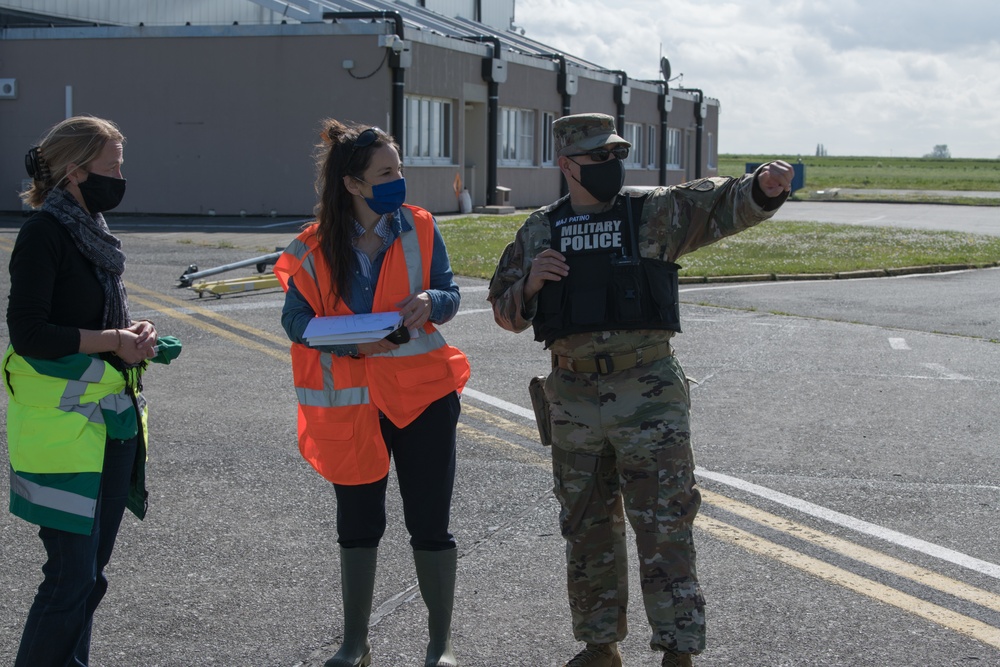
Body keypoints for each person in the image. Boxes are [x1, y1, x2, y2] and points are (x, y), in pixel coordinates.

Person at [487, 113, 793, 667]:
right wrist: (530, 282)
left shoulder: (653, 212)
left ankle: (678, 650)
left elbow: (721, 207)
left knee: (665, 525)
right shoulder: (539, 229)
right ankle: (599, 645)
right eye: (597, 158)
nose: (610, 166)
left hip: (648, 395)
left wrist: (762, 190)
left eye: (614, 156)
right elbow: (504, 313)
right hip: (574, 399)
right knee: (586, 528)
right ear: (566, 164)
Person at [274, 120, 471, 667]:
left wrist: (431, 300)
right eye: (386, 173)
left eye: (399, 169)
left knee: (430, 522)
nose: (398, 180)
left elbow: (450, 292)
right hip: (352, 404)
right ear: (353, 185)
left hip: (423, 396)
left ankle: (440, 646)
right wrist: (341, 341)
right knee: (358, 524)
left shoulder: (422, 227)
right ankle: (354, 644)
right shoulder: (311, 247)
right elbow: (294, 319)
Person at [6, 115, 163, 666]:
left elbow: (92, 323)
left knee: (89, 578)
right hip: (62, 437)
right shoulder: (44, 233)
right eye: (113, 166)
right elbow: (28, 334)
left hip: (109, 426)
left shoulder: (92, 230)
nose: (121, 177)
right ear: (75, 171)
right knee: (70, 578)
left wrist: (133, 332)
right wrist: (114, 339)